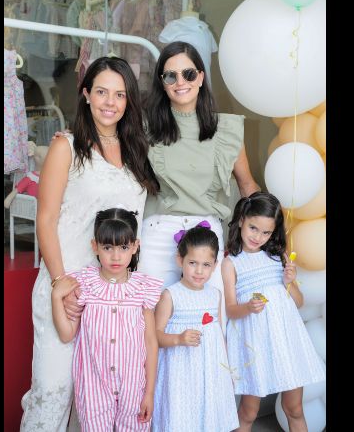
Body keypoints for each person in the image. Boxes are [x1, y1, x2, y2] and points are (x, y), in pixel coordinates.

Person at [20, 57, 159, 432]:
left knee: (98, 397)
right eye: (101, 91)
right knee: (54, 389)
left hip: (113, 293)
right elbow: (46, 219)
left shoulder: (136, 151)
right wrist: (60, 283)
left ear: (129, 100)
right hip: (65, 286)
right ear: (85, 94)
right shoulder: (68, 146)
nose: (110, 102)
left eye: (119, 94)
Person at [138, 41, 261, 328]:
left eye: (188, 74)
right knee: (154, 327)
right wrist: (73, 138)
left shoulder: (226, 130)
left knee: (212, 328)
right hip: (157, 237)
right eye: (171, 76)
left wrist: (271, 230)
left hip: (207, 240)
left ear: (201, 77)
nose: (181, 82)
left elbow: (247, 185)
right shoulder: (144, 128)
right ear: (162, 82)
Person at [221, 191, 326, 432]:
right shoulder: (231, 263)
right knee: (248, 411)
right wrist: (247, 307)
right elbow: (230, 309)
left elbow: (298, 302)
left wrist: (290, 280)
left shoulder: (277, 257)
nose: (258, 237)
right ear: (241, 221)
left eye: (266, 232)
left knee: (295, 408)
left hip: (287, 340)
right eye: (253, 228)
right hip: (256, 343)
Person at [51, 207, 163, 432]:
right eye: (107, 247)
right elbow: (66, 334)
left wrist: (149, 392)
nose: (116, 256)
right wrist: (56, 296)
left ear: (134, 246)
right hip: (93, 388)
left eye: (123, 247)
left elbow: (150, 343)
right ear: (95, 246)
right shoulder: (84, 284)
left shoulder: (143, 288)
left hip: (133, 388)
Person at [152, 225, 239, 432]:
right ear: (180, 260)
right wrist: (178, 339)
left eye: (206, 264)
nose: (199, 271)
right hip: (180, 374)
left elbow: (219, 337)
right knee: (181, 419)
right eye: (192, 263)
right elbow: (154, 336)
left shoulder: (215, 294)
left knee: (207, 418)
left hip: (209, 374)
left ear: (215, 265)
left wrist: (227, 373)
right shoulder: (170, 295)